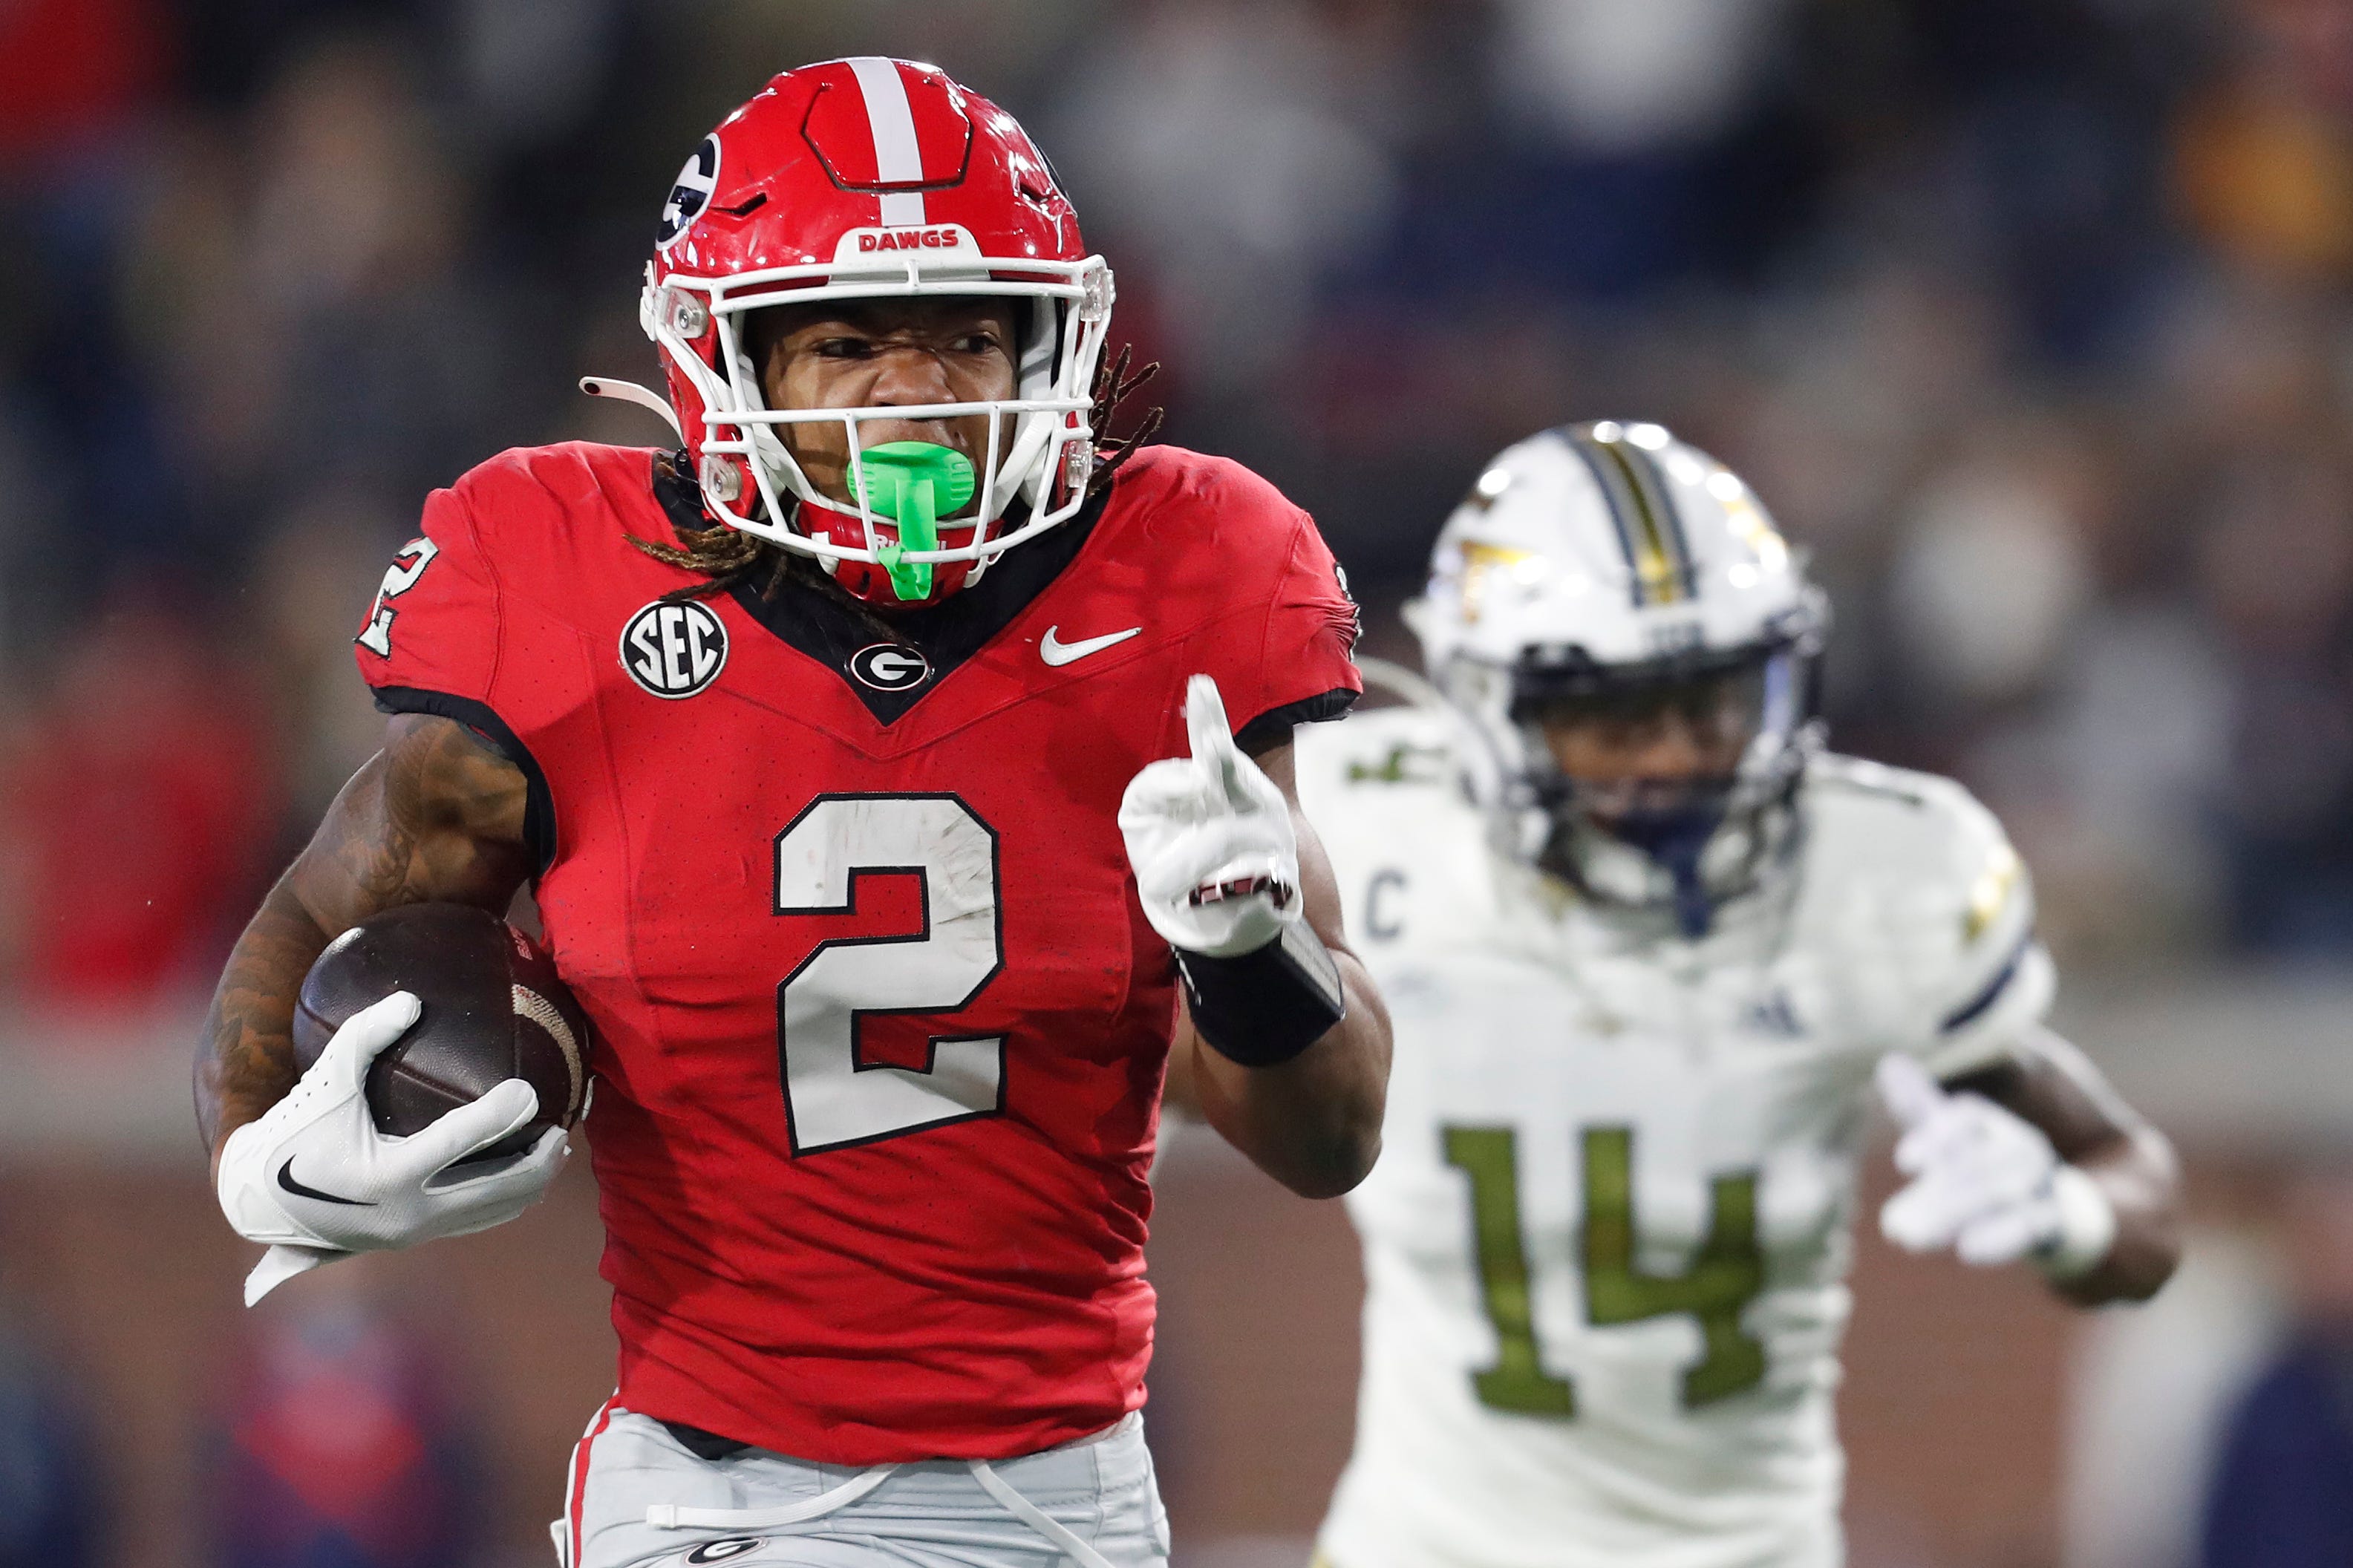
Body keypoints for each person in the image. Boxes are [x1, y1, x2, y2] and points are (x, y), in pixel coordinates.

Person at [195, 58, 1390, 1568]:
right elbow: (314, 916)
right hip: (710, 1496)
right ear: (723, 367)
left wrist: (1249, 951)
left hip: (1072, 1500)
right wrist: (252, 1154)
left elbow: (1327, 1139)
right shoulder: (565, 585)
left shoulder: (1191, 571)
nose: (920, 390)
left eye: (970, 333)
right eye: (847, 341)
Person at [1297, 421, 2179, 1568]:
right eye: (1612, 716)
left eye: (1711, 701)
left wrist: (2067, 1217)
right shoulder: (1354, 830)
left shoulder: (1882, 873)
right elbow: (1159, 1101)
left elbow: (2140, 1210)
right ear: (1480, 707)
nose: (1670, 757)